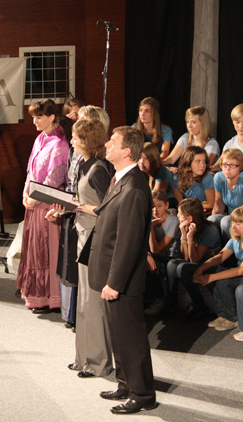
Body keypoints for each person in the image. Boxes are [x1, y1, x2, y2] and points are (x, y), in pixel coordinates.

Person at [86, 126, 156, 414]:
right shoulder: (121, 179)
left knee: (131, 337)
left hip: (123, 280)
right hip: (112, 273)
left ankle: (142, 394)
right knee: (118, 334)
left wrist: (114, 282)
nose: (107, 144)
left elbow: (128, 242)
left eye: (112, 142)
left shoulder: (134, 188)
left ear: (126, 151)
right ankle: (126, 383)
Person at [47, 118, 114, 378]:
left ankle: (98, 363)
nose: (72, 141)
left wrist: (79, 207)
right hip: (83, 237)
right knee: (84, 301)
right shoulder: (85, 165)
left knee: (93, 302)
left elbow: (109, 209)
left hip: (95, 241)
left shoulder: (99, 170)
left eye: (75, 137)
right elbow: (82, 201)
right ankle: (84, 358)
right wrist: (64, 210)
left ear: (87, 140)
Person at [16, 99, 69, 312]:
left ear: (52, 117)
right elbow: (30, 170)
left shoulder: (59, 143)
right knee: (34, 250)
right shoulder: (40, 138)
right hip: (33, 202)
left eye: (39, 117)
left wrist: (35, 198)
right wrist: (25, 193)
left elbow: (53, 180)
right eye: (33, 117)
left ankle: (51, 297)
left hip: (48, 205)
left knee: (47, 250)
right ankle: (36, 295)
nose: (35, 121)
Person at [193, 206, 243, 331]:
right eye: (233, 223)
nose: (233, 227)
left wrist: (212, 277)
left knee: (223, 282)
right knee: (209, 271)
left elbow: (242, 270)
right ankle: (223, 313)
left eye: (238, 224)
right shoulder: (236, 239)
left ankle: (232, 317)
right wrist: (202, 267)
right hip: (241, 273)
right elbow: (220, 257)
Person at [165, 198, 222, 320]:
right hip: (195, 263)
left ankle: (200, 307)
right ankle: (171, 305)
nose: (177, 216)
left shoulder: (209, 230)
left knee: (183, 268)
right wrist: (183, 236)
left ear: (190, 218)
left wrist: (190, 238)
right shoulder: (186, 227)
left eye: (180, 214)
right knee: (172, 264)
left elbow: (194, 260)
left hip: (209, 265)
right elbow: (185, 257)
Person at [209, 148, 243, 241]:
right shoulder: (218, 177)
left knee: (225, 222)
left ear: (240, 167)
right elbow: (218, 205)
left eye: (232, 165)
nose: (227, 169)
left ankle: (234, 246)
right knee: (211, 220)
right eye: (225, 165)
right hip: (229, 216)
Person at [169, 146, 215, 213]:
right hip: (186, 212)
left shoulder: (207, 177)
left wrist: (190, 207)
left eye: (204, 161)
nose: (203, 165)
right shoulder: (177, 178)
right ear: (188, 162)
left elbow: (211, 204)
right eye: (198, 161)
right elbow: (180, 204)